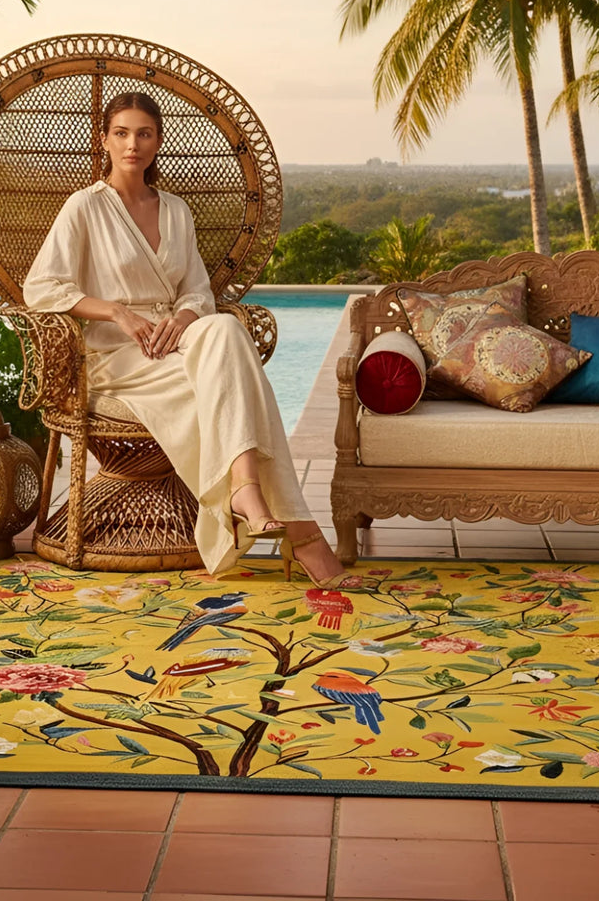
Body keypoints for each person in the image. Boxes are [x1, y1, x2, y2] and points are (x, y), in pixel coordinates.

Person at [21, 91, 353, 585]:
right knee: (246, 387)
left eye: (144, 133)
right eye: (121, 133)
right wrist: (117, 314)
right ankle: (300, 532)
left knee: (222, 327)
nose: (133, 144)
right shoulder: (83, 208)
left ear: (157, 141)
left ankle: (246, 490)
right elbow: (41, 287)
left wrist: (184, 316)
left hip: (177, 341)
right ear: (105, 140)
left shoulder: (176, 210)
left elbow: (197, 290)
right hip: (117, 356)